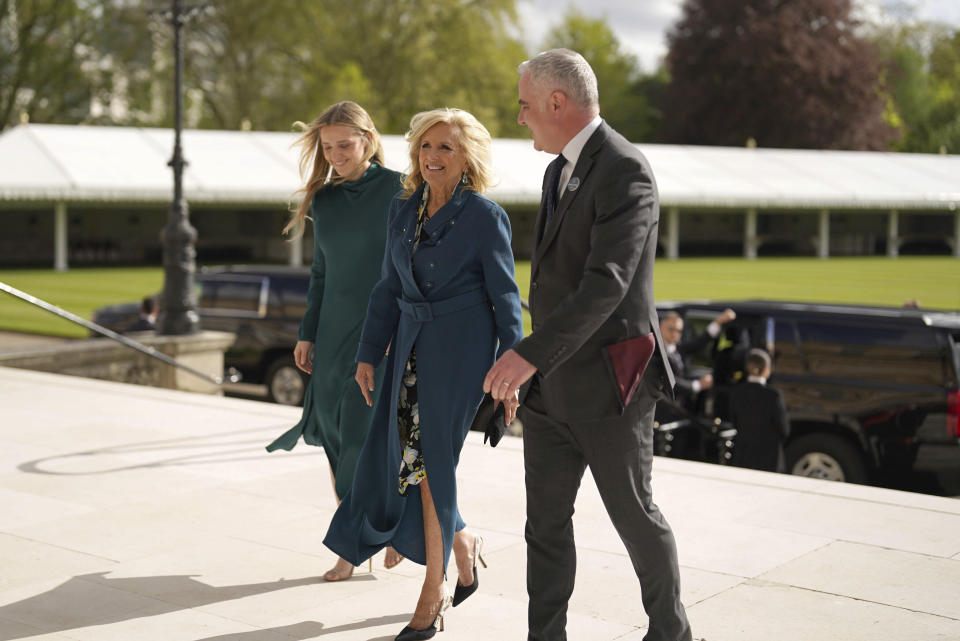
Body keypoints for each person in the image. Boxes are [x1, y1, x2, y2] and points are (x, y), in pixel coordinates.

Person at [484, 49, 693, 641]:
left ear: (557, 102)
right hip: (551, 391)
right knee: (544, 527)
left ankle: (672, 634)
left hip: (612, 388)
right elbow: (552, 282)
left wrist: (529, 354)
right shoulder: (557, 171)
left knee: (635, 519)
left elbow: (608, 283)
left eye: (525, 106)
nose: (520, 117)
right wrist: (536, 363)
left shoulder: (627, 169)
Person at [323, 108, 523, 641]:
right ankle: (464, 546)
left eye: (446, 149)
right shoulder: (401, 209)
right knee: (408, 460)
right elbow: (387, 286)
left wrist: (513, 372)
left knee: (434, 461)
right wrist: (368, 353)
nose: (432, 157)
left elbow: (507, 299)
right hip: (408, 344)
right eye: (426, 146)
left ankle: (432, 592)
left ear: (467, 158)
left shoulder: (485, 216)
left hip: (462, 351)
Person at [265, 101, 405, 582]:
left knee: (367, 436)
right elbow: (321, 272)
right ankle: (362, 531)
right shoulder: (322, 200)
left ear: (368, 138)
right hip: (331, 332)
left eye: (345, 145)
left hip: (380, 331)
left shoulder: (399, 189)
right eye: (329, 148)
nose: (337, 155)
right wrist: (306, 333)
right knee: (331, 433)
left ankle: (363, 538)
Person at [716, 348, 790, 472]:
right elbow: (784, 430)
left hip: (743, 455)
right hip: (769, 457)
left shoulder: (736, 393)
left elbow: (735, 422)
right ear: (766, 369)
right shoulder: (774, 396)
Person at [659, 308, 735, 409]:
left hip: (680, 404)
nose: (675, 334)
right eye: (671, 329)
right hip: (663, 406)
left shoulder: (678, 348)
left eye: (679, 331)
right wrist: (697, 385)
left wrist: (718, 322)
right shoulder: (656, 352)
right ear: (660, 328)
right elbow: (667, 379)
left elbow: (700, 343)